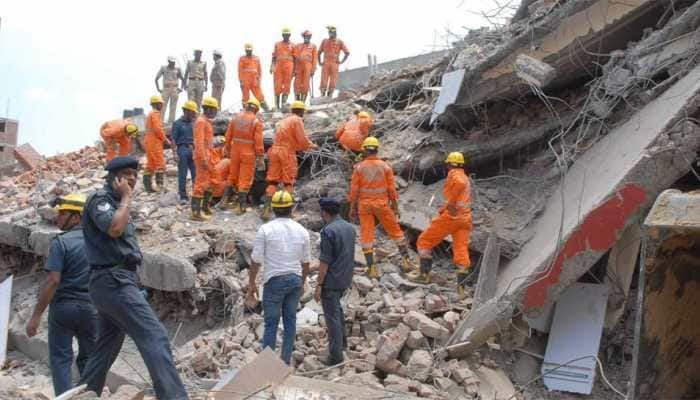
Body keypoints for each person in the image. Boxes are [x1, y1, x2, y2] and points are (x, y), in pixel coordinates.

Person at [79, 156, 188, 400]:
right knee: (154, 335)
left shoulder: (119, 204)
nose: (133, 178)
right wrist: (127, 197)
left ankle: (84, 393)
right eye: (127, 173)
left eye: (135, 175)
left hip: (117, 281)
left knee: (106, 346)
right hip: (112, 280)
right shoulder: (102, 200)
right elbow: (115, 229)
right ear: (114, 178)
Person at [25, 194, 97, 396]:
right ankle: (90, 395)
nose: (57, 218)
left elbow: (53, 281)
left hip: (64, 309)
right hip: (93, 308)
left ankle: (64, 396)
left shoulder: (61, 243)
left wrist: (36, 316)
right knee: (90, 358)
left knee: (60, 359)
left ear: (77, 217)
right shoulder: (100, 242)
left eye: (63, 214)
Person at [248, 190, 311, 365]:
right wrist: (303, 282)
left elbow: (256, 260)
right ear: (291, 209)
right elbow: (306, 262)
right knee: (290, 320)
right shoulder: (302, 231)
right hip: (295, 280)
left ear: (273, 208)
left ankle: (267, 365)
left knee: (271, 323)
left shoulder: (265, 229)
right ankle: (285, 362)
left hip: (274, 281)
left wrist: (252, 283)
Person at [408, 152, 473, 297]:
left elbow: (458, 188)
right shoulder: (465, 177)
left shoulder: (454, 175)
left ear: (449, 164)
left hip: (452, 217)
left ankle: (424, 276)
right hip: (465, 218)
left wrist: (449, 204)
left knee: (424, 241)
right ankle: (461, 290)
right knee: (461, 252)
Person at [348, 137, 412, 279]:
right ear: (377, 149)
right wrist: (395, 207)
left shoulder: (359, 167)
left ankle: (371, 268)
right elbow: (392, 190)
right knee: (395, 231)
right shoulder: (385, 167)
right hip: (382, 205)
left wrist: (352, 207)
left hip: (365, 205)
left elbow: (354, 190)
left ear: (365, 149)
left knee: (366, 235)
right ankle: (407, 261)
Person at [314, 197, 356, 366]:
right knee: (337, 311)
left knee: (331, 318)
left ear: (324, 212)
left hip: (331, 280)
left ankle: (335, 356)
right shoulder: (349, 228)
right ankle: (342, 344)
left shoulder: (328, 231)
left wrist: (318, 285)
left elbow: (324, 262)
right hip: (345, 278)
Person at [262, 100, 318, 220]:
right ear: (301, 111)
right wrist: (311, 146)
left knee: (273, 181)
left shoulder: (284, 120)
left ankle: (266, 210)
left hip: (274, 150)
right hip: (286, 153)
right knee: (289, 182)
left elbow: (288, 139)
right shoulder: (297, 120)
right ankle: (289, 212)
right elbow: (302, 139)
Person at [222, 98, 264, 214]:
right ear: (255, 109)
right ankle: (241, 206)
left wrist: (227, 148)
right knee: (244, 179)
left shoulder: (236, 118)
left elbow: (228, 135)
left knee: (232, 176)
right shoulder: (256, 121)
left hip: (235, 152)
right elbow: (258, 141)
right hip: (248, 153)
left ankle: (224, 201)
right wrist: (260, 156)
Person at [191, 97, 219, 221]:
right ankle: (195, 212)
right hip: (203, 157)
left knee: (211, 182)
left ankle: (205, 207)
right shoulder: (201, 122)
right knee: (201, 184)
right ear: (207, 108)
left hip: (209, 156)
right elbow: (199, 142)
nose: (215, 112)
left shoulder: (206, 121)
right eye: (213, 109)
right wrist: (202, 159)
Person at [143, 95, 172, 193]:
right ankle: (160, 186)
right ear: (156, 104)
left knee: (151, 164)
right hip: (154, 142)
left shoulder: (150, 114)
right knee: (160, 163)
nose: (162, 105)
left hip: (149, 141)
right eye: (160, 103)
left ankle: (148, 187)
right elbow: (158, 129)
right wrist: (165, 140)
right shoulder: (155, 114)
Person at [172, 101, 199, 204]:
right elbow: (173, 139)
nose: (194, 114)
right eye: (192, 112)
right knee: (182, 174)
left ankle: (196, 194)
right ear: (186, 111)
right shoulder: (177, 123)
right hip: (182, 149)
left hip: (193, 150)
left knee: (195, 173)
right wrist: (174, 153)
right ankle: (183, 196)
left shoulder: (193, 123)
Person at [318, 25, 349, 97]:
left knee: (333, 79)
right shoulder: (324, 41)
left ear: (335, 33)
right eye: (329, 32)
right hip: (326, 63)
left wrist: (341, 62)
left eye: (331, 32)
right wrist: (319, 62)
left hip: (335, 63)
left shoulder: (340, 42)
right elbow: (319, 52)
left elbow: (347, 53)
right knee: (324, 78)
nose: (329, 34)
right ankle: (322, 94)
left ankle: (330, 95)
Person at [155, 56, 185, 125]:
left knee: (173, 106)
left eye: (174, 62)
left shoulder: (177, 69)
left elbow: (182, 79)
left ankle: (171, 122)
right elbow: (156, 78)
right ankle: (160, 121)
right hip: (166, 88)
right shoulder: (163, 68)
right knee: (162, 106)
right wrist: (158, 88)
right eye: (171, 62)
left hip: (174, 89)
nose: (173, 63)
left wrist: (181, 88)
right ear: (168, 61)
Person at [238, 44, 269, 111]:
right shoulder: (242, 58)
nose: (249, 52)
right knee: (245, 96)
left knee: (259, 95)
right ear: (245, 50)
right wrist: (241, 81)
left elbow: (260, 70)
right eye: (247, 50)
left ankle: (266, 108)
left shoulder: (256, 58)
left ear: (252, 50)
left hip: (254, 80)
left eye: (250, 50)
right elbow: (240, 70)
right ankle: (245, 109)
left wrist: (259, 81)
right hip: (245, 80)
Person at [271, 27, 295, 110]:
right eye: (285, 35)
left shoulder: (293, 45)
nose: (286, 36)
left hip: (289, 67)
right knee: (277, 86)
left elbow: (295, 58)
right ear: (282, 35)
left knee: (287, 86)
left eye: (287, 35)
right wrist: (272, 66)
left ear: (289, 35)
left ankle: (283, 104)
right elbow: (274, 56)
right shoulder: (277, 44)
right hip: (278, 67)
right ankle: (277, 106)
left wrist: (294, 70)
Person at [293, 30, 318, 102]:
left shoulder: (313, 46)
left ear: (310, 37)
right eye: (305, 36)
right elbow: (294, 56)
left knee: (305, 83)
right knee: (297, 83)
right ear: (303, 37)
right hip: (299, 65)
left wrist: (313, 70)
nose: (307, 38)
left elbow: (315, 58)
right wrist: (294, 69)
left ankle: (303, 101)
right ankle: (297, 100)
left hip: (308, 66)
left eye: (308, 36)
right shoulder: (298, 45)